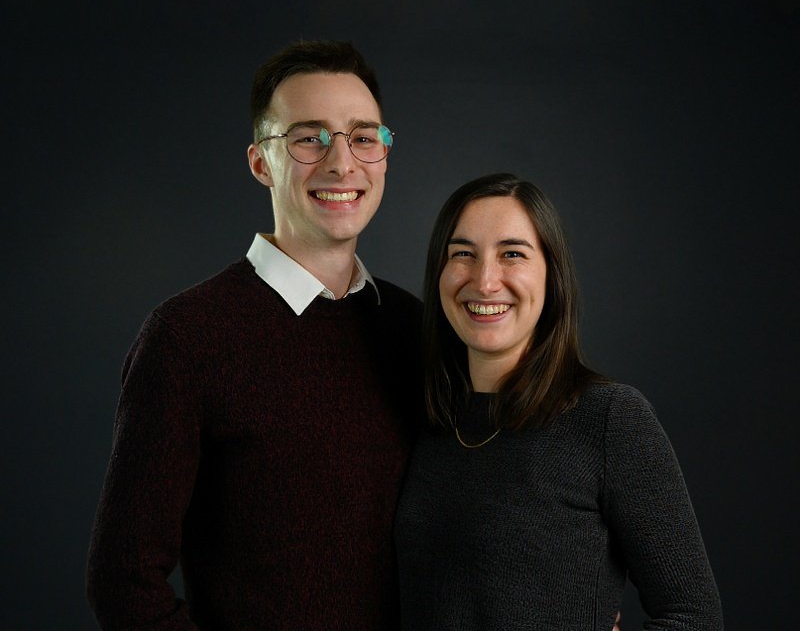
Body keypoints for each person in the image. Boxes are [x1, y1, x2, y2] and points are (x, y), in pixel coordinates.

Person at [87, 40, 422, 630]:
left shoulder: (412, 327)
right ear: (261, 162)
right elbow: (123, 580)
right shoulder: (187, 337)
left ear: (384, 156)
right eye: (309, 137)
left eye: (363, 137)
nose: (342, 163)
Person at [394, 173, 723, 630]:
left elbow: (695, 618)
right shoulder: (422, 416)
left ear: (552, 274)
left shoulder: (609, 419)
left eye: (512, 254)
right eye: (463, 254)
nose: (485, 281)